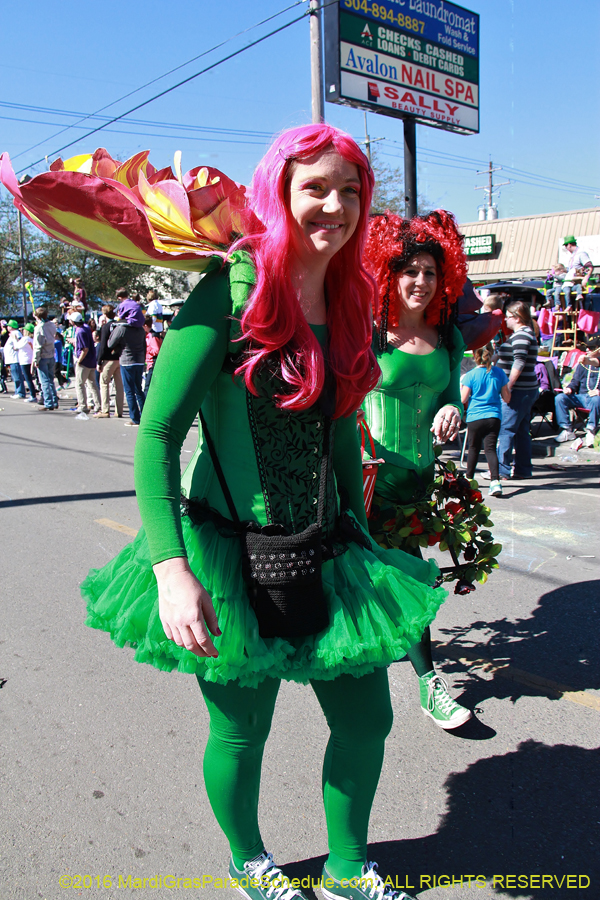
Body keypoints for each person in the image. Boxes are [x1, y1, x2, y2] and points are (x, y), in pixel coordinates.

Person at [82, 124, 447, 900]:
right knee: (242, 731)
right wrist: (171, 569)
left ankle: (347, 870)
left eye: (351, 191)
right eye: (316, 187)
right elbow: (156, 434)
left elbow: (340, 427)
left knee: (366, 720)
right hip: (225, 553)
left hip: (329, 546)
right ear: (278, 192)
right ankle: (249, 861)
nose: (336, 206)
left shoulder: (350, 296)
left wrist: (363, 535)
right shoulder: (230, 289)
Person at [362, 211, 471, 731]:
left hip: (419, 483)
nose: (421, 282)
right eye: (411, 271)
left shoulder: (448, 336)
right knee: (396, 579)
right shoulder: (368, 333)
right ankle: (429, 682)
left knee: (400, 579)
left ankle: (393, 668)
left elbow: (451, 398)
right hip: (369, 480)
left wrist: (452, 410)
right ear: (390, 274)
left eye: (430, 272)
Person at [460, 344, 511, 497]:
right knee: (490, 449)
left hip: (475, 416)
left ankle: (469, 479)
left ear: (474, 355)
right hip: (494, 416)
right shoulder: (499, 373)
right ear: (492, 353)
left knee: (473, 448)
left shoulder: (470, 375)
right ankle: (495, 482)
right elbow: (507, 398)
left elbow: (463, 399)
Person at [496, 300, 539, 480]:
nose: (505, 320)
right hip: (526, 389)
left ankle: (501, 470)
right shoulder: (525, 334)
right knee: (521, 430)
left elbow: (519, 362)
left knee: (506, 429)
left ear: (517, 317)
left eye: (508, 317)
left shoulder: (522, 336)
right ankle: (523, 469)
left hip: (519, 390)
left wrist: (508, 386)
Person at [109, 289, 146, 425]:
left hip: (127, 361)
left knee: (129, 391)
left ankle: (135, 418)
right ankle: (145, 416)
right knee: (139, 390)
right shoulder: (140, 329)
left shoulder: (122, 328)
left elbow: (110, 343)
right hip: (139, 360)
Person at [554, 356, 600, 447]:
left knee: (596, 399)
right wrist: (569, 389)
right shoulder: (583, 365)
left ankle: (591, 430)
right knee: (560, 398)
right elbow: (575, 382)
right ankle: (567, 430)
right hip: (581, 397)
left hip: (595, 399)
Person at [94, 304, 124, 419]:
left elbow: (103, 346)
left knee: (104, 383)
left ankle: (105, 410)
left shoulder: (106, 327)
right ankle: (119, 410)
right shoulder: (119, 325)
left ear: (104, 314)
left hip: (108, 358)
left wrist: (99, 361)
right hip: (119, 357)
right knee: (119, 385)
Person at [71, 311, 101, 414]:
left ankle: (82, 405)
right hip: (91, 360)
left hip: (84, 361)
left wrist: (79, 360)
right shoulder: (86, 328)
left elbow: (85, 348)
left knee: (80, 384)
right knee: (92, 384)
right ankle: (98, 405)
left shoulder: (80, 332)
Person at [32, 307, 59, 410]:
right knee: (51, 380)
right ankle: (54, 401)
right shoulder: (51, 325)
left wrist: (36, 359)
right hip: (51, 354)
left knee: (44, 381)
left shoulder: (39, 328)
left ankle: (48, 403)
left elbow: (37, 346)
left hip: (43, 356)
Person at [561, 237, 593, 312]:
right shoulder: (572, 256)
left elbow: (589, 266)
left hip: (578, 283)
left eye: (565, 246)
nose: (566, 248)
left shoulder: (581, 253)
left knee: (581, 307)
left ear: (569, 245)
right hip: (571, 283)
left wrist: (585, 278)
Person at [15, 323, 38, 402]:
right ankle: (33, 394)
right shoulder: (32, 339)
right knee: (30, 378)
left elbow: (16, 346)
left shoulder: (25, 339)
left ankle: (33, 395)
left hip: (25, 361)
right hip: (30, 359)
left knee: (28, 379)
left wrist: (15, 339)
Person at [4, 320, 25, 399]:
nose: (7, 327)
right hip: (11, 359)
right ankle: (17, 391)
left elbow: (19, 343)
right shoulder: (13, 334)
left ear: (11, 327)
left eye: (8, 326)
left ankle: (20, 392)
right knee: (15, 377)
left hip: (15, 359)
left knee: (17, 377)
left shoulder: (16, 333)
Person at [143, 314, 162, 397]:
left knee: (148, 386)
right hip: (150, 363)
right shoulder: (149, 335)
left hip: (153, 363)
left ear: (145, 326)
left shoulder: (153, 336)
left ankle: (145, 402)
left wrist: (147, 350)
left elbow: (157, 350)